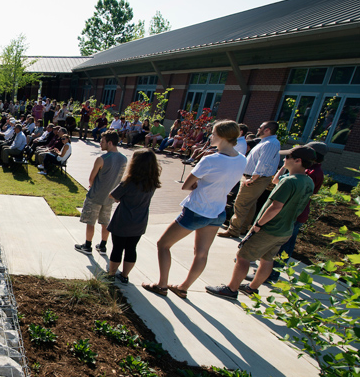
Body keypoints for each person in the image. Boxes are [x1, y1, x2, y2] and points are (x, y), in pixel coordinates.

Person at [142, 120, 247, 298]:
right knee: (201, 253)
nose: (210, 136)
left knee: (163, 244)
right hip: (218, 212)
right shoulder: (242, 159)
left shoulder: (211, 159)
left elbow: (187, 185)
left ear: (221, 136)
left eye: (213, 134)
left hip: (197, 209)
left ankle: (161, 285)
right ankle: (183, 287)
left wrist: (199, 184)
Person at [205, 145, 316, 300]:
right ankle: (252, 288)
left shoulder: (290, 182)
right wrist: (284, 167)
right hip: (285, 229)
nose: (283, 160)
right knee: (267, 258)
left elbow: (275, 207)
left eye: (287, 158)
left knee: (243, 256)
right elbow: (276, 180)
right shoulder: (307, 181)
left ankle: (231, 289)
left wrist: (258, 225)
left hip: (269, 228)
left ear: (297, 160)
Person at [257, 140, 326, 284]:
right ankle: (267, 272)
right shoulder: (310, 171)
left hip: (295, 214)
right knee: (280, 246)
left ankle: (272, 274)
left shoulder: (311, 173)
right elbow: (277, 181)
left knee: (284, 246)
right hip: (295, 213)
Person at [106, 148, 161, 283]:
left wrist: (119, 198)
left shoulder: (129, 182)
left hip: (123, 219)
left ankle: (111, 274)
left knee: (117, 248)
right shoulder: (152, 183)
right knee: (131, 249)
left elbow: (112, 195)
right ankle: (125, 276)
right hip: (140, 221)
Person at [219, 121, 281, 238]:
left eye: (261, 127)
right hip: (254, 178)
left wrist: (252, 179)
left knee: (241, 203)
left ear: (267, 130)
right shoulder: (266, 142)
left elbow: (263, 163)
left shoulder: (270, 144)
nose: (258, 129)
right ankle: (242, 228)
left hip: (255, 179)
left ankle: (233, 230)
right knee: (250, 204)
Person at [74, 130, 128, 255]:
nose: (100, 143)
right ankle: (103, 246)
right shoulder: (124, 159)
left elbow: (91, 178)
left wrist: (92, 186)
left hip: (96, 196)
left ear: (110, 143)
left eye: (102, 141)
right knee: (105, 222)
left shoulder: (102, 158)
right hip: (110, 197)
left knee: (90, 221)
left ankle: (87, 245)